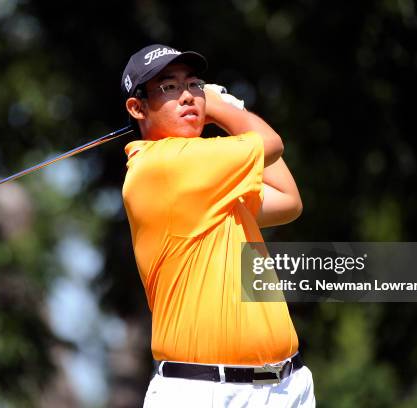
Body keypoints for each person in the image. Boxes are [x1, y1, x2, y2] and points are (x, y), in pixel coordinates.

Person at [120, 44, 314, 407]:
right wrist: (223, 108)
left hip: (285, 386)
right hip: (203, 391)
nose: (188, 97)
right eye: (169, 87)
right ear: (137, 107)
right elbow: (271, 144)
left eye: (193, 84)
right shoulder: (163, 165)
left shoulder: (211, 182)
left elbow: (288, 200)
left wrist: (225, 111)